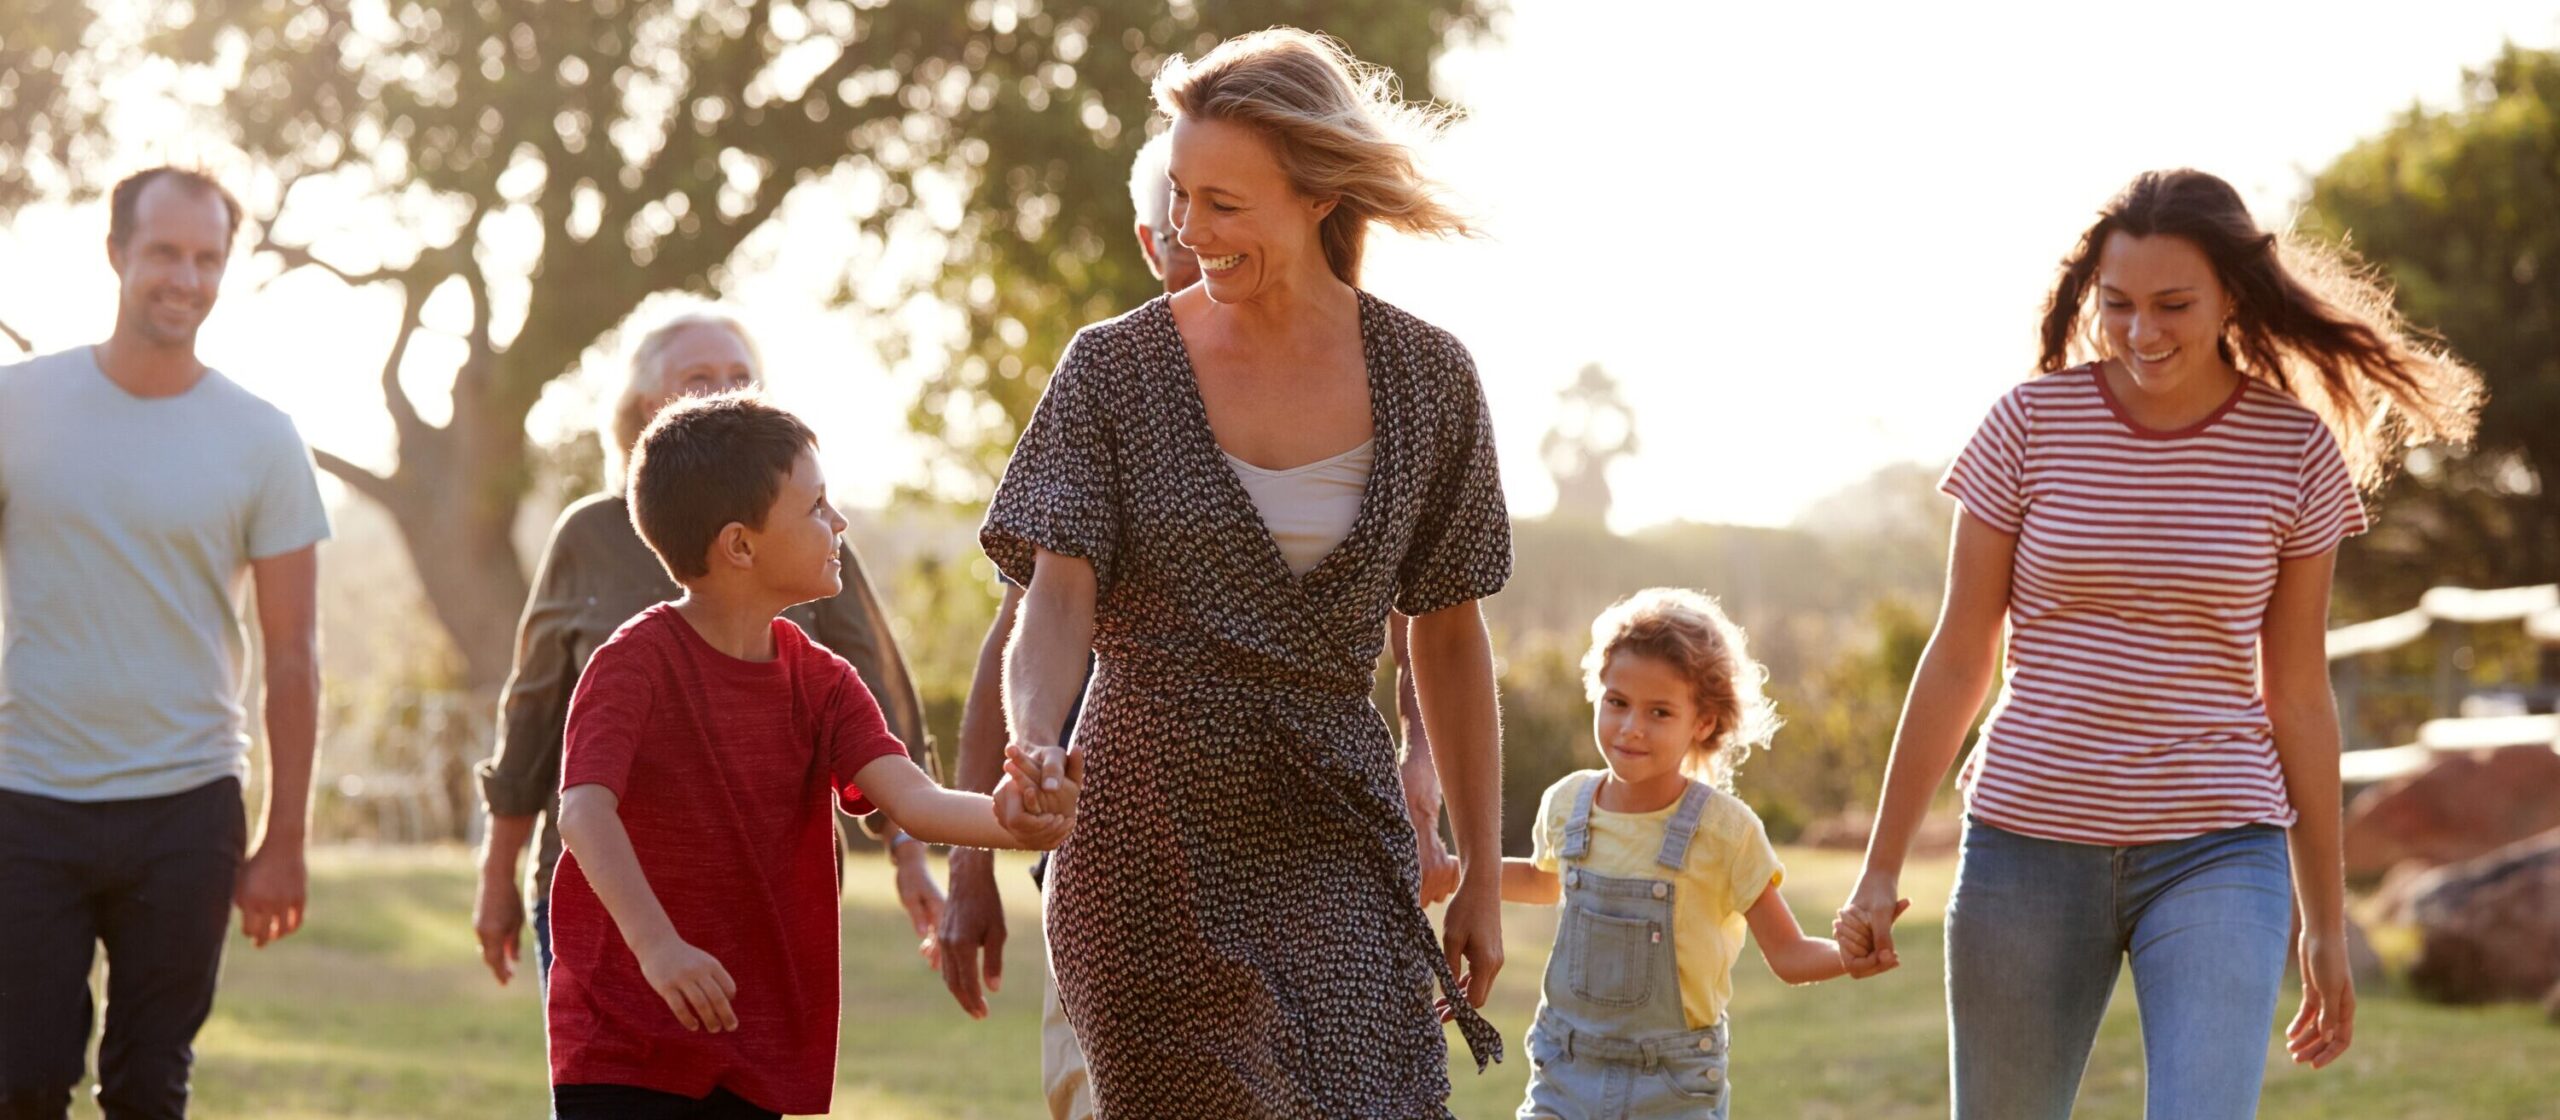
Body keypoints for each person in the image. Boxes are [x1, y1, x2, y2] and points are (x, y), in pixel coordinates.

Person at [1833, 169, 2483, 1118]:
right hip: (2028, 842)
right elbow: (1963, 652)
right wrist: (1881, 865)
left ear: (2231, 297)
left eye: (2173, 305)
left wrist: (2325, 920)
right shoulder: (2027, 425)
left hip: (2218, 847)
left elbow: (2298, 694)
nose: (2143, 332)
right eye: (2118, 305)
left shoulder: (2294, 451)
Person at [981, 28, 1509, 1116]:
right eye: (1181, 197)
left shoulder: (1430, 379)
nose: (1189, 231)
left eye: (1224, 204)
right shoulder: (1112, 369)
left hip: (1336, 833)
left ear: (1320, 196)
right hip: (1144, 847)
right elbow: (1057, 596)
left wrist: (1483, 876)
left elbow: (1449, 637)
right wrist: (1035, 735)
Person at [544, 392, 1078, 1120]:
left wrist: (1012, 819)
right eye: (817, 507)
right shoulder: (633, 664)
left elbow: (915, 801)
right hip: (624, 1040)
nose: (840, 522)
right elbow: (583, 812)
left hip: (748, 1038)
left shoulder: (823, 683)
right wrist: (659, 948)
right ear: (741, 546)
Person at [471, 307, 940, 988]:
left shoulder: (807, 542)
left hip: (771, 904)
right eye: (698, 378)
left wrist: (911, 855)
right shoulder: (588, 537)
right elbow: (534, 720)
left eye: (740, 378)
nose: (723, 392)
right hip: (602, 907)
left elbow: (878, 699)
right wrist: (496, 876)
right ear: (646, 407)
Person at [0, 167, 331, 1118]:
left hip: (186, 807)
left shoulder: (262, 438)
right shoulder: (18, 405)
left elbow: (294, 656)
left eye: (207, 259)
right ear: (116, 253)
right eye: (164, 254)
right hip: (28, 797)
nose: (186, 279)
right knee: (21, 1083)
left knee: (151, 1088)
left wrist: (285, 841)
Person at [1502, 589, 1860, 1119]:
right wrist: (1455, 874)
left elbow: (1788, 954)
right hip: (1565, 1072)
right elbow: (1540, 881)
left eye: (1660, 712)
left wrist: (1850, 956)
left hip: (1672, 1088)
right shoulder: (1567, 804)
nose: (1632, 727)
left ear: (1703, 723)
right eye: (1617, 702)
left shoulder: (1726, 832)